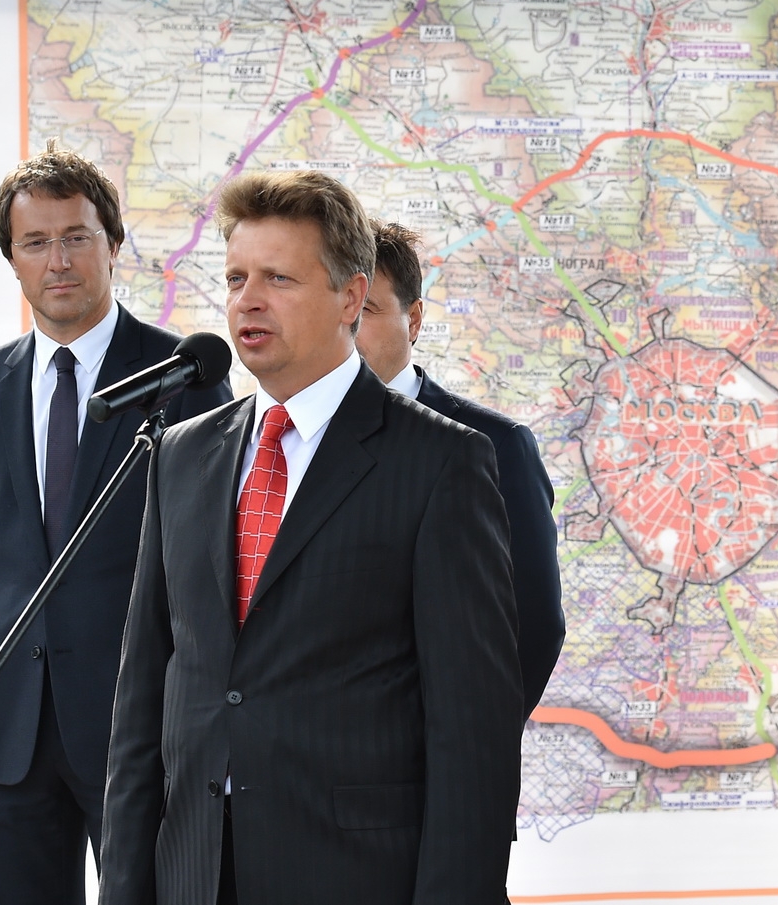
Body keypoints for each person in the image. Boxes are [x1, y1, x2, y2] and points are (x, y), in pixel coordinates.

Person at [100, 171, 522, 905]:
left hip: (355, 875)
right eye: (236, 278)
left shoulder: (441, 462)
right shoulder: (181, 454)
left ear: (351, 298)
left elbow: (473, 736)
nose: (247, 300)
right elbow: (143, 705)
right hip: (195, 875)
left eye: (278, 278)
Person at [0, 143, 232, 905]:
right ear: (13, 261)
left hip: (143, 724)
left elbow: (214, 565)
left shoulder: (186, 376)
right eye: (35, 242)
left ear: (113, 245)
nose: (57, 260)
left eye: (76, 237)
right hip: (4, 724)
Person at [356, 219, 564, 715]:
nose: (345, 327)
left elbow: (532, 625)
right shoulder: (288, 438)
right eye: (333, 308)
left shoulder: (496, 445)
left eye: (364, 309)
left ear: (413, 320)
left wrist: (466, 747)